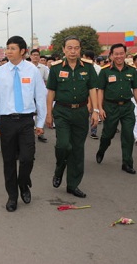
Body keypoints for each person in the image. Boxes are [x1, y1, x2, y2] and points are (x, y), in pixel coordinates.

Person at [0, 36, 47, 212]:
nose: (8, 51)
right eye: (7, 48)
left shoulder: (32, 71)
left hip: (26, 121)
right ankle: (12, 196)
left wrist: (41, 122)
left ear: (23, 51)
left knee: (28, 157)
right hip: (6, 121)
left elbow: (40, 97)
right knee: (8, 161)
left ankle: (23, 183)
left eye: (12, 48)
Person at [46, 36, 99, 198]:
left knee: (77, 150)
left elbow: (92, 89)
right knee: (63, 145)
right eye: (69, 48)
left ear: (80, 50)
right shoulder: (55, 69)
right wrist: (49, 114)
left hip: (81, 112)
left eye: (76, 48)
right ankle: (59, 168)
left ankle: (73, 185)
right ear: (63, 49)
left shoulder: (88, 68)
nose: (73, 51)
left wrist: (95, 110)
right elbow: (51, 93)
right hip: (62, 111)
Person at [95, 44, 137, 174]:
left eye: (121, 53)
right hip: (111, 107)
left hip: (127, 107)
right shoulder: (105, 71)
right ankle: (102, 149)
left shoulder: (131, 70)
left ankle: (127, 163)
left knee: (128, 135)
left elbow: (136, 90)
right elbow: (100, 90)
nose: (119, 56)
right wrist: (100, 108)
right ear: (111, 55)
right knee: (108, 134)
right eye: (116, 54)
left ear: (125, 54)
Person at [29, 49, 49, 143]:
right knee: (30, 114)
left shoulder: (43, 68)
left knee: (41, 112)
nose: (35, 57)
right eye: (33, 55)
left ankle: (40, 133)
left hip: (40, 94)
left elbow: (47, 80)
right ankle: (29, 133)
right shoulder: (27, 67)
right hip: (29, 94)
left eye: (37, 55)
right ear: (30, 56)